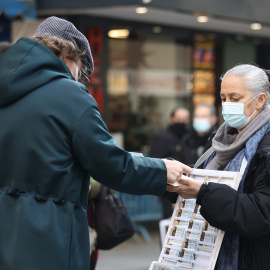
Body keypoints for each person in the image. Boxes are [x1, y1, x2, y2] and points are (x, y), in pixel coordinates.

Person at [0, 16, 192, 270]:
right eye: (80, 70)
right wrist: (163, 170)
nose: (79, 79)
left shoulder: (8, 89)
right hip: (50, 237)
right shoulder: (70, 95)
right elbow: (110, 165)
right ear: (71, 58)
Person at [168, 64, 270, 270]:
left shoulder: (266, 148)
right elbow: (204, 175)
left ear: (260, 100)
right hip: (207, 255)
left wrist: (203, 193)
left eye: (235, 98)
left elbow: (260, 214)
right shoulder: (220, 140)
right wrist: (172, 175)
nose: (227, 105)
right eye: (223, 98)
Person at [149, 107, 189, 218]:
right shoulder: (163, 138)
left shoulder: (188, 138)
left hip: (188, 186)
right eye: (178, 119)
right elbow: (155, 162)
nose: (181, 122)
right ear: (171, 120)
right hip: (170, 188)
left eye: (184, 119)